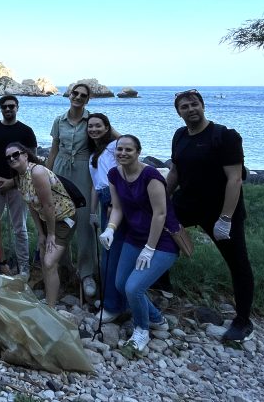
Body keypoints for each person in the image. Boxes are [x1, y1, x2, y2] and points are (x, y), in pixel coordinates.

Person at [166, 89, 254, 342]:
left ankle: (243, 320)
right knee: (157, 231)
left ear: (203, 106)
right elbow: (175, 172)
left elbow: (235, 179)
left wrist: (225, 219)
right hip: (188, 203)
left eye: (194, 104)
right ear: (179, 112)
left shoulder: (224, 136)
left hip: (221, 210)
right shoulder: (180, 136)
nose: (190, 109)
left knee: (237, 263)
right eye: (184, 106)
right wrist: (160, 201)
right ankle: (162, 284)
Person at [104, 134, 180, 353]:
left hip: (161, 241)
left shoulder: (151, 175)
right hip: (134, 237)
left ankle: (142, 329)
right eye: (120, 149)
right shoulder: (114, 174)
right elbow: (117, 208)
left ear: (138, 152)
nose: (123, 153)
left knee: (134, 287)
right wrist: (111, 228)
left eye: (129, 150)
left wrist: (149, 248)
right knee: (120, 285)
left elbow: (160, 214)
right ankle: (157, 318)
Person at [6, 142, 76, 306]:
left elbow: (48, 205)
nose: (12, 158)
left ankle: (50, 308)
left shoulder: (36, 171)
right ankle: (49, 297)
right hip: (47, 220)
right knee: (45, 260)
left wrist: (51, 234)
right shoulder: (19, 177)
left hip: (64, 218)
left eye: (15, 154)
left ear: (25, 154)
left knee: (49, 262)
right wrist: (41, 233)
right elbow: (32, 205)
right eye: (8, 158)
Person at [47, 83, 97, 298]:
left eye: (83, 95)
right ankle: (63, 266)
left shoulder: (92, 121)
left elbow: (104, 145)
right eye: (75, 93)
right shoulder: (59, 120)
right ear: (69, 95)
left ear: (88, 99)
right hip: (61, 169)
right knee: (61, 219)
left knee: (85, 222)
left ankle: (87, 273)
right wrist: (45, 175)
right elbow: (54, 149)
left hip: (84, 170)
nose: (77, 97)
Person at [0, 94, 36, 279]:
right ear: (0, 108)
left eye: (11, 106)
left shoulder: (26, 131)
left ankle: (24, 267)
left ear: (17, 107)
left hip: (18, 185)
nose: (8, 109)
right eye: (4, 106)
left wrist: (13, 182)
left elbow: (33, 160)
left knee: (20, 228)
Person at [86, 113, 125, 321]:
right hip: (103, 198)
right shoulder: (96, 152)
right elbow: (95, 185)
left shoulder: (113, 147)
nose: (93, 130)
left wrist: (110, 129)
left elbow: (127, 140)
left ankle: (113, 306)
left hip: (114, 198)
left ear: (108, 127)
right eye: (90, 126)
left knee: (112, 253)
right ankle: (112, 300)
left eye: (98, 126)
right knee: (108, 252)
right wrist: (92, 212)